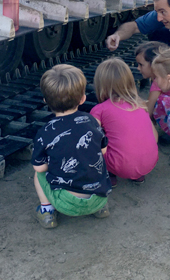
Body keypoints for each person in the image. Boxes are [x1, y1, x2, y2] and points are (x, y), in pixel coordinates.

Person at [31, 64, 112, 229]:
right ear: (82, 98)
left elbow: (39, 168)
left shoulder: (45, 131)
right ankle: (101, 208)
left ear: (46, 101)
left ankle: (47, 211)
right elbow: (103, 150)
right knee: (96, 160)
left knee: (38, 176)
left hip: (66, 204)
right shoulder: (92, 121)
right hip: (99, 197)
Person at [90, 58, 158, 186]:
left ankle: (109, 175)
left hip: (120, 165)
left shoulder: (99, 110)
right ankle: (137, 175)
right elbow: (155, 137)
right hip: (150, 162)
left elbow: (91, 140)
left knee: (100, 138)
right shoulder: (140, 104)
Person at [134, 41, 170, 135]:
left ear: (153, 64)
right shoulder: (168, 75)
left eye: (141, 64)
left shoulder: (157, 82)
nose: (138, 68)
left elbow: (149, 110)